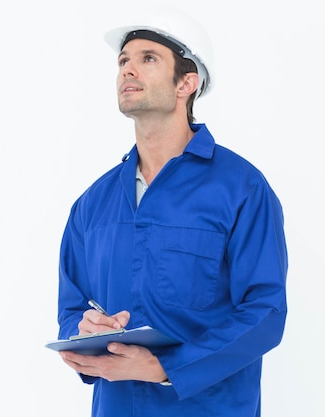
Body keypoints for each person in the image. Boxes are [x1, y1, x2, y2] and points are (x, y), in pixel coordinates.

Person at [55, 9, 288, 417]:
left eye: (148, 58)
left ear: (187, 82)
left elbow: (265, 312)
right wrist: (81, 330)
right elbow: (72, 308)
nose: (128, 69)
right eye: (123, 61)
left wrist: (167, 367)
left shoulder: (241, 189)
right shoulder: (92, 204)